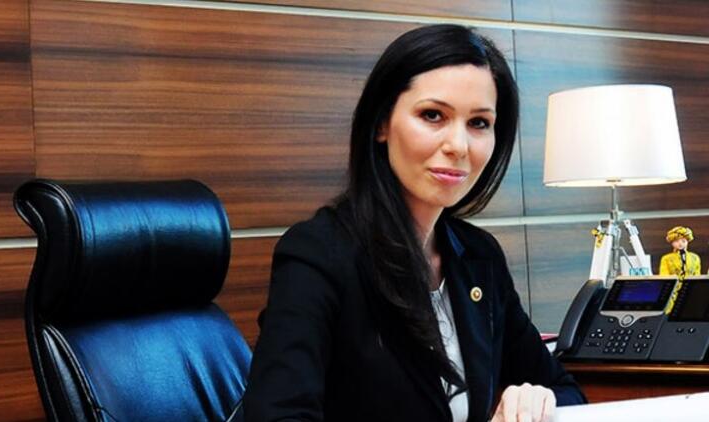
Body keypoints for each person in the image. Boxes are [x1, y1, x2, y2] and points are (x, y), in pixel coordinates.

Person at [243, 24, 586, 422]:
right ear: (381, 124)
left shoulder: (479, 256)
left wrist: (539, 400)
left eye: (479, 123)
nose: (458, 146)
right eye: (433, 115)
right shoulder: (318, 254)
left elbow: (568, 391)